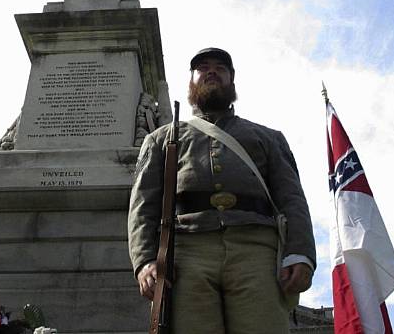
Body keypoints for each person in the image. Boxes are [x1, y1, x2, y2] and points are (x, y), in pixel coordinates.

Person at [128, 47, 316, 334]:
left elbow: (291, 199)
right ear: (191, 81)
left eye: (221, 68)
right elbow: (144, 204)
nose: (212, 71)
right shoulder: (161, 139)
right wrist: (144, 261)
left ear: (232, 81)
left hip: (258, 250)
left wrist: (300, 254)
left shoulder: (268, 138)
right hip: (187, 253)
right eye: (203, 67)